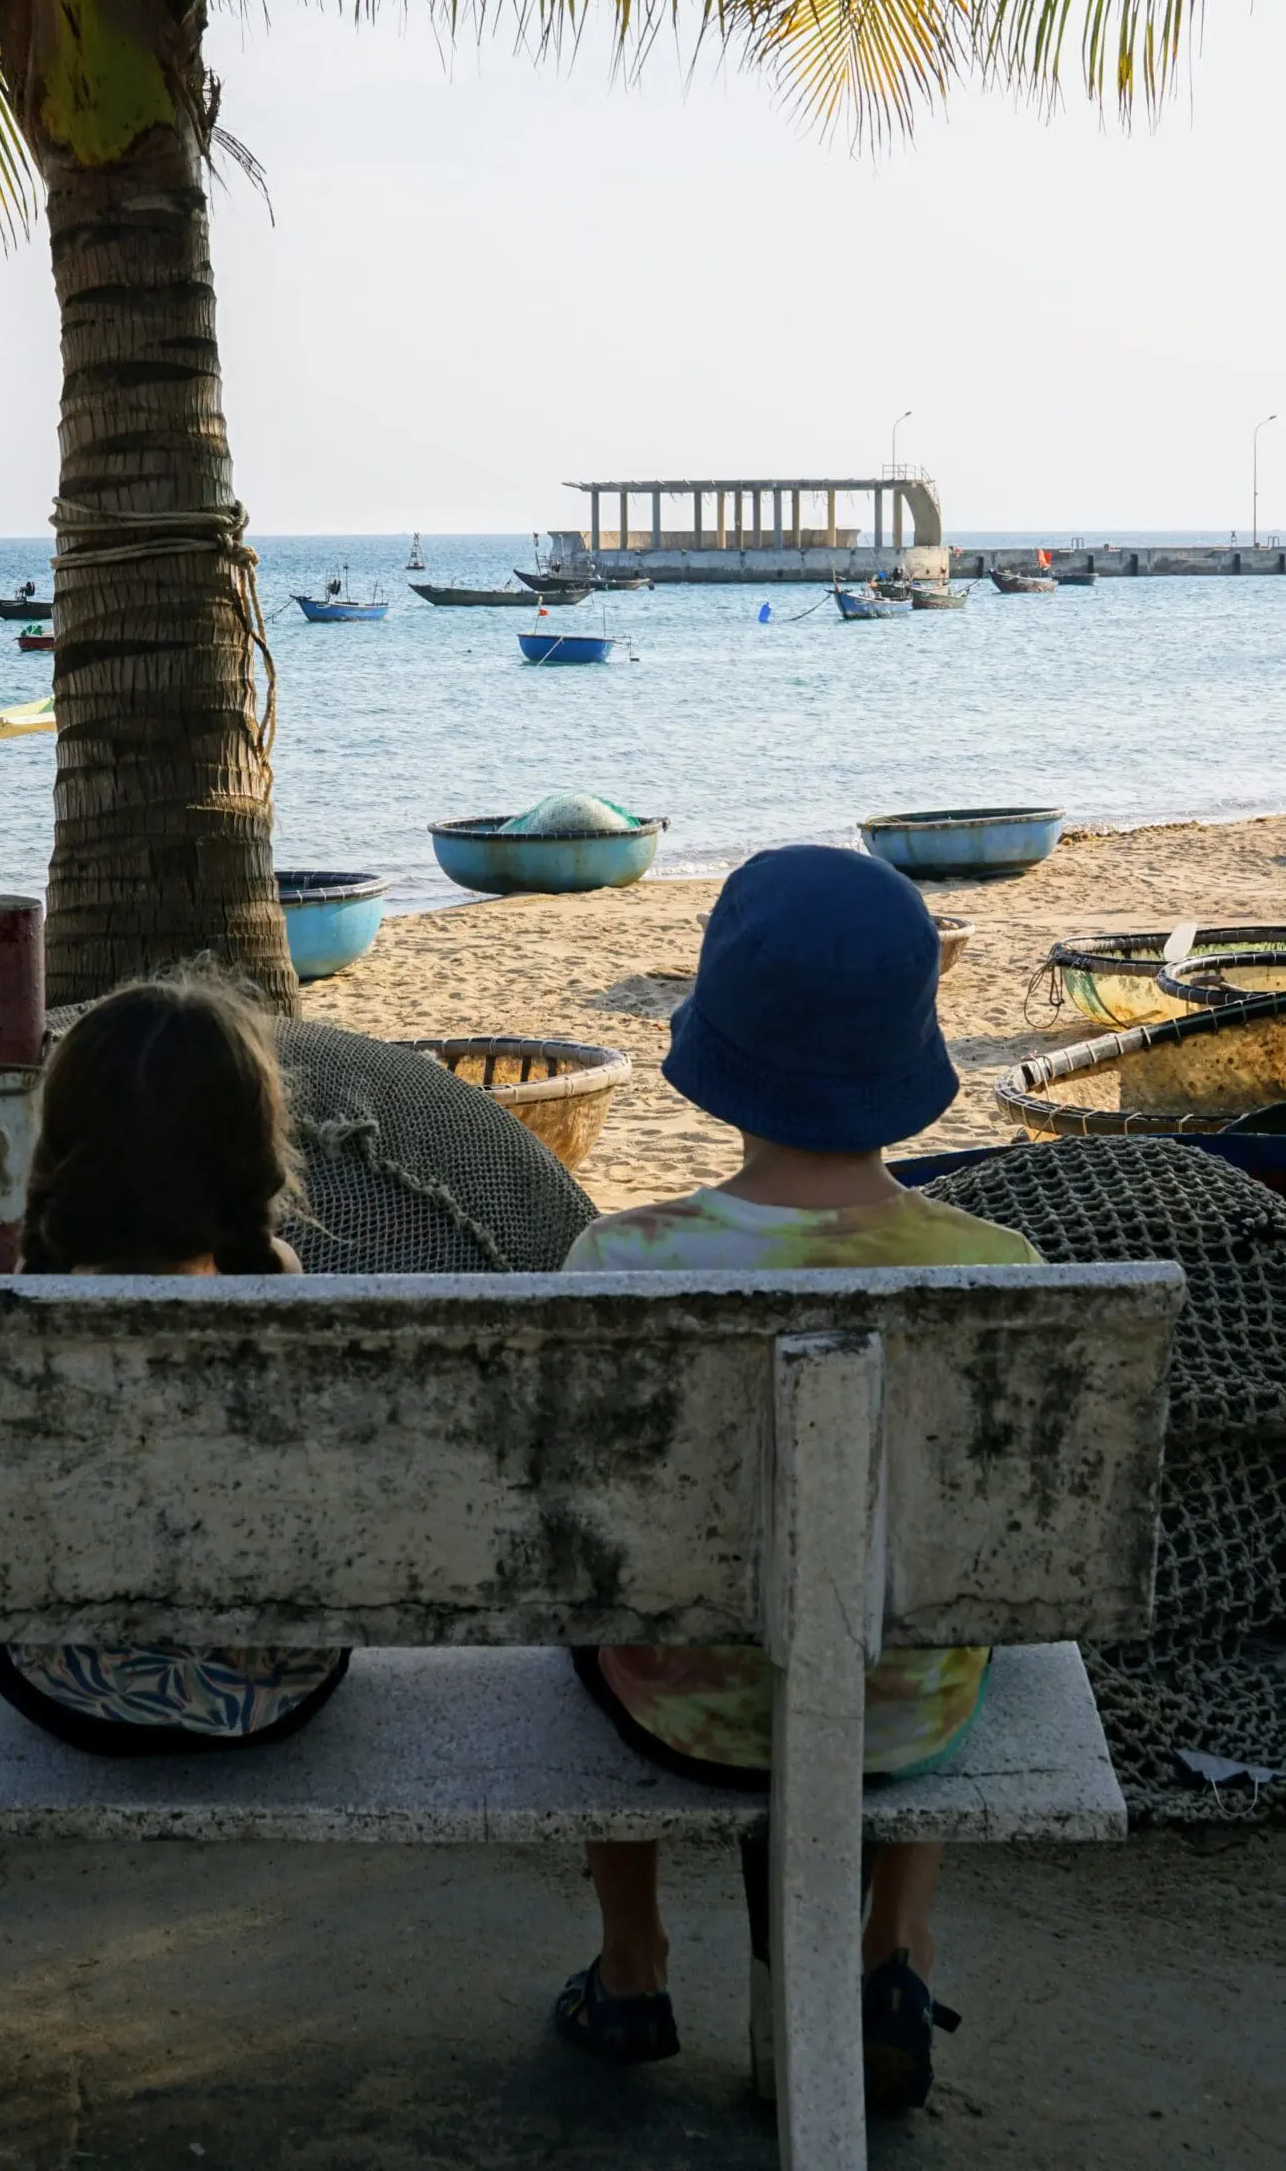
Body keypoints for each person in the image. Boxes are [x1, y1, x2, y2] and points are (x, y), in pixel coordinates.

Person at [551, 845, 1040, 2108]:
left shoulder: (618, 1261)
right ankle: (896, 1940)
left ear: (721, 1043)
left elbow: (579, 1535)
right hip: (903, 1718)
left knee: (594, 1608)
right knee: (955, 1584)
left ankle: (633, 1958)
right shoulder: (999, 1265)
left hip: (682, 1714)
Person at [0, 974, 350, 1753]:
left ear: (61, 1143)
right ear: (248, 1149)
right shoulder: (272, 1282)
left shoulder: (28, 1305)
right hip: (272, 1688)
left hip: (60, 1687)